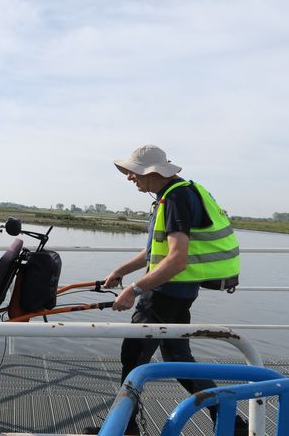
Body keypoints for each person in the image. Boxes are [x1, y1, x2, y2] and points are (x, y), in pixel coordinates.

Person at [101, 144, 245, 435]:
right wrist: (121, 272)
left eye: (134, 172)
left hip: (164, 295)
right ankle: (230, 420)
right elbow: (156, 252)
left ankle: (125, 429)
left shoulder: (176, 198)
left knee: (133, 357)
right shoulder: (174, 194)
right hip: (176, 293)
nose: (130, 177)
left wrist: (134, 290)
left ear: (153, 172)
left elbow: (177, 259)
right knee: (179, 360)